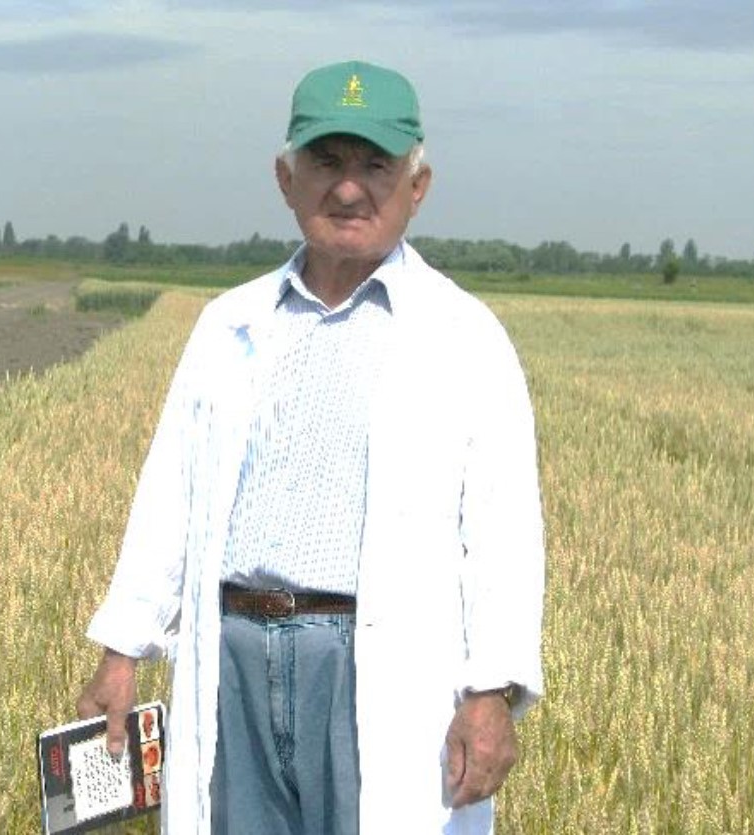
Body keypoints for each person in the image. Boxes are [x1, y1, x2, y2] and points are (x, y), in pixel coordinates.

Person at [76, 59, 545, 835]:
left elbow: (503, 531)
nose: (349, 189)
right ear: (284, 179)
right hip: (231, 656)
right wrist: (122, 650)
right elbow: (170, 497)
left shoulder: (464, 336)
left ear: (417, 186)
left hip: (371, 665)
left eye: (375, 165)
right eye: (326, 162)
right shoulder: (228, 324)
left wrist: (490, 690)